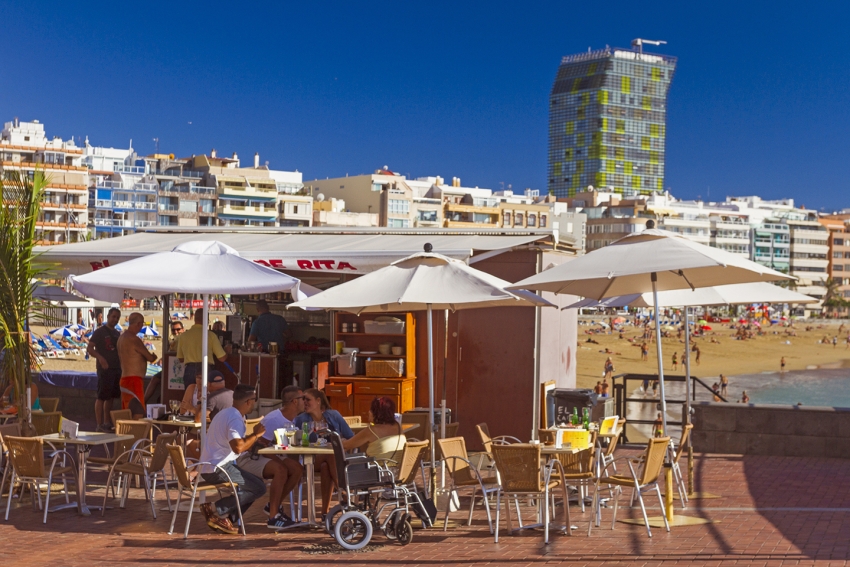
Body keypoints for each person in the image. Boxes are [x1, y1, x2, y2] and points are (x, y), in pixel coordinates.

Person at [199, 385, 285, 533]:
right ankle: (215, 508)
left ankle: (227, 518)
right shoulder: (235, 418)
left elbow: (236, 444)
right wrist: (256, 435)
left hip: (210, 465)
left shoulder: (225, 413)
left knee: (254, 484)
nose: (255, 403)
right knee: (258, 487)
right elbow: (238, 447)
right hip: (218, 467)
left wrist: (252, 443)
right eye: (255, 400)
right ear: (248, 401)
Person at [293, 388, 354, 518]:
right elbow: (293, 440)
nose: (304, 402)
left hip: (329, 462)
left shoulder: (334, 415)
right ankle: (344, 492)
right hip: (309, 459)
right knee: (330, 454)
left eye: (308, 399)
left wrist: (343, 442)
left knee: (326, 466)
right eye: (303, 399)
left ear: (318, 400)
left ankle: (325, 513)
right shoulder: (301, 419)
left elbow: (351, 437)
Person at [87, 307, 122, 432]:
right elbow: (90, 348)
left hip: (116, 368)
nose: (115, 319)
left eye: (117, 317)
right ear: (108, 316)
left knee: (111, 397)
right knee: (101, 396)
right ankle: (99, 424)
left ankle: (107, 422)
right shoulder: (100, 332)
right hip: (104, 368)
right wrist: (100, 358)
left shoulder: (117, 334)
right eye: (113, 317)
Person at [117, 312, 157, 419]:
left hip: (125, 378)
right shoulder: (134, 339)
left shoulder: (121, 338)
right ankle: (135, 435)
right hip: (134, 380)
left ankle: (126, 434)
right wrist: (153, 356)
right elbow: (150, 358)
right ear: (139, 324)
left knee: (127, 412)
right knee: (138, 412)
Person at [342, 397, 406, 462]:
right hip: (400, 470)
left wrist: (342, 440)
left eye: (371, 410)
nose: (369, 412)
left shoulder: (371, 431)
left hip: (380, 470)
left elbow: (346, 445)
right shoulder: (398, 426)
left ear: (376, 413)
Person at [177, 309, 229, 389]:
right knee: (206, 398)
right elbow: (222, 358)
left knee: (189, 397)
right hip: (206, 369)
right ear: (207, 320)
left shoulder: (183, 336)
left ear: (194, 319)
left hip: (189, 370)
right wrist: (227, 351)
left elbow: (180, 359)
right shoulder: (211, 335)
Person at [144, 320, 185, 404]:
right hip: (171, 367)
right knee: (154, 379)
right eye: (173, 330)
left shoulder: (186, 340)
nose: (176, 332)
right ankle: (143, 402)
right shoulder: (172, 341)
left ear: (183, 329)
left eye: (178, 329)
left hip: (183, 368)